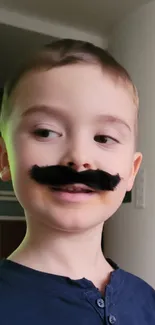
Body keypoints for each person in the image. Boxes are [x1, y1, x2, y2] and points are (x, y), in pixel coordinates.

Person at [0, 38, 154, 325]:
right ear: (4, 158)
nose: (79, 158)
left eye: (104, 138)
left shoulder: (149, 301)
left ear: (132, 172)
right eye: (46, 132)